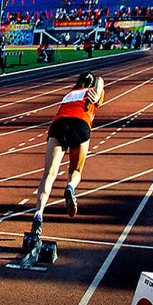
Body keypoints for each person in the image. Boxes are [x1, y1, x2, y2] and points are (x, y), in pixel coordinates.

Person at [30, 72, 105, 237]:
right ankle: (70, 187)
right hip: (81, 123)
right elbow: (100, 80)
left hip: (58, 125)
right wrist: (98, 91)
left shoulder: (69, 94)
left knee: (48, 174)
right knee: (75, 171)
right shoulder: (92, 93)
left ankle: (38, 214)